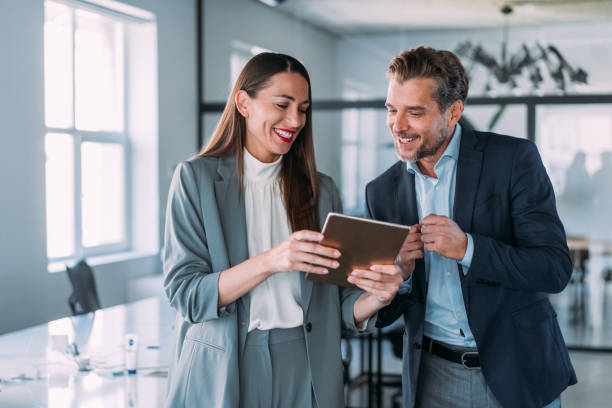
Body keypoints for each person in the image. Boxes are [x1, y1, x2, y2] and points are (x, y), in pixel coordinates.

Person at [162, 52, 403, 408]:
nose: (295, 120)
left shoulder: (321, 191)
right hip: (228, 365)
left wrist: (378, 297)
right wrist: (271, 261)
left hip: (306, 364)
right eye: (282, 104)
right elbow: (186, 295)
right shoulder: (196, 180)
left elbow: (334, 310)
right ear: (244, 103)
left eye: (303, 109)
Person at [358, 46, 577, 408]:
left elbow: (553, 269)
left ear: (453, 111)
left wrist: (467, 249)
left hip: (517, 368)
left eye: (414, 112)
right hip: (432, 375)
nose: (397, 125)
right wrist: (401, 275)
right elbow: (383, 313)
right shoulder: (380, 192)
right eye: (392, 110)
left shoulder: (514, 160)